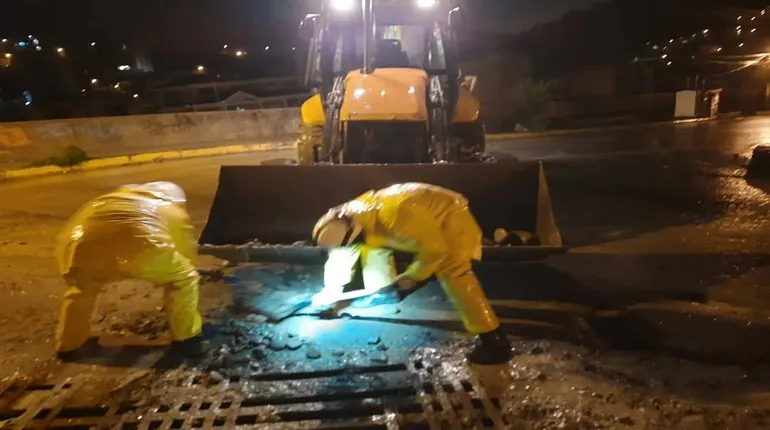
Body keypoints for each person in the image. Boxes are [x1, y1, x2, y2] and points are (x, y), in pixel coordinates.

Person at [311, 182, 513, 364]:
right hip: (418, 224)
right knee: (372, 249)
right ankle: (382, 292)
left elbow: (435, 249)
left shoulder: (396, 214)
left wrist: (413, 277)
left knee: (455, 275)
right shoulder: (350, 218)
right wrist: (333, 291)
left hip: (450, 220)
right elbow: (345, 254)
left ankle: (494, 341)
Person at [54, 181, 206, 361]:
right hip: (142, 249)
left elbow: (68, 234)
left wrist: (71, 271)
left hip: (82, 249)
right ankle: (186, 339)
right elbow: (185, 248)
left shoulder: (103, 201)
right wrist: (178, 271)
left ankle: (69, 344)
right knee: (184, 278)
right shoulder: (169, 208)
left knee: (82, 289)